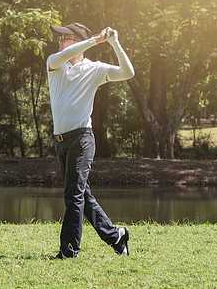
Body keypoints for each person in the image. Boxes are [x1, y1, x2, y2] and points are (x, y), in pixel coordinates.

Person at [46, 22, 135, 259]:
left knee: (73, 195)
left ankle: (69, 251)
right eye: (60, 39)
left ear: (78, 41)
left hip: (82, 139)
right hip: (60, 141)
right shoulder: (55, 64)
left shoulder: (94, 69)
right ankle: (116, 236)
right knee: (82, 195)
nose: (60, 42)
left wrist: (114, 42)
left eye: (65, 38)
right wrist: (97, 39)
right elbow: (64, 55)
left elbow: (128, 72)